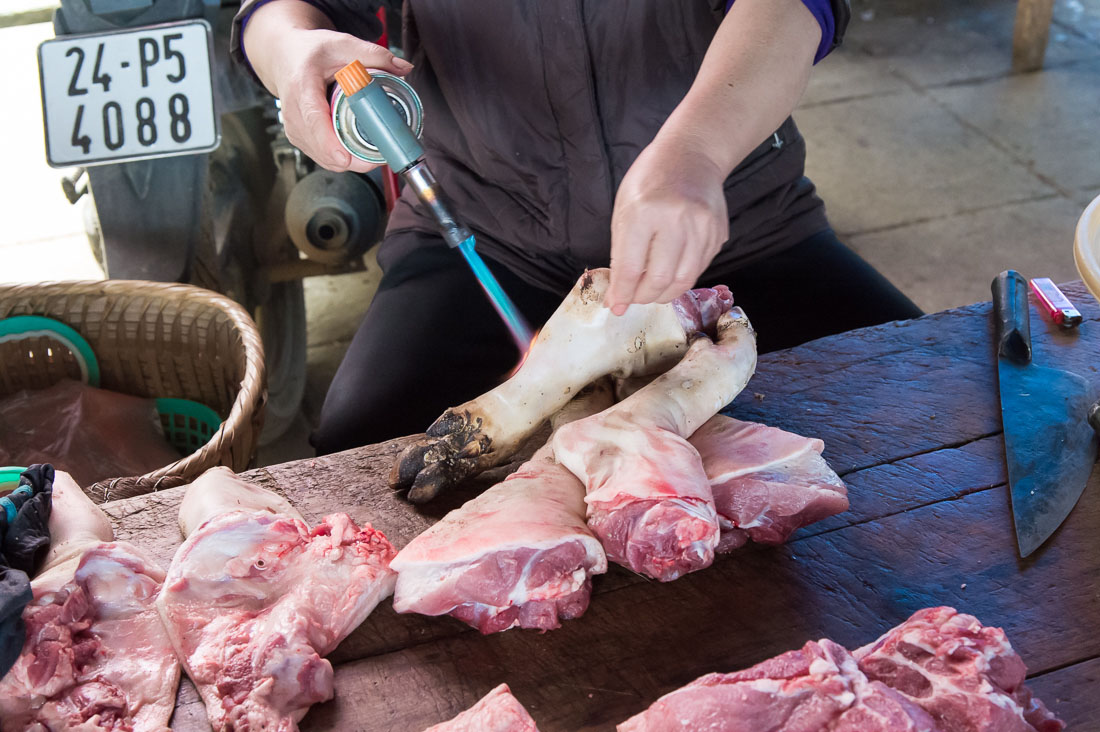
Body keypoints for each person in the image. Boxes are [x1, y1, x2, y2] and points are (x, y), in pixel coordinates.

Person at [234, 0, 921, 453]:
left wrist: (697, 152)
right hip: (488, 237)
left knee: (930, 414)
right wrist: (294, 51)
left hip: (739, 229)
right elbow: (274, 13)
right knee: (364, 449)